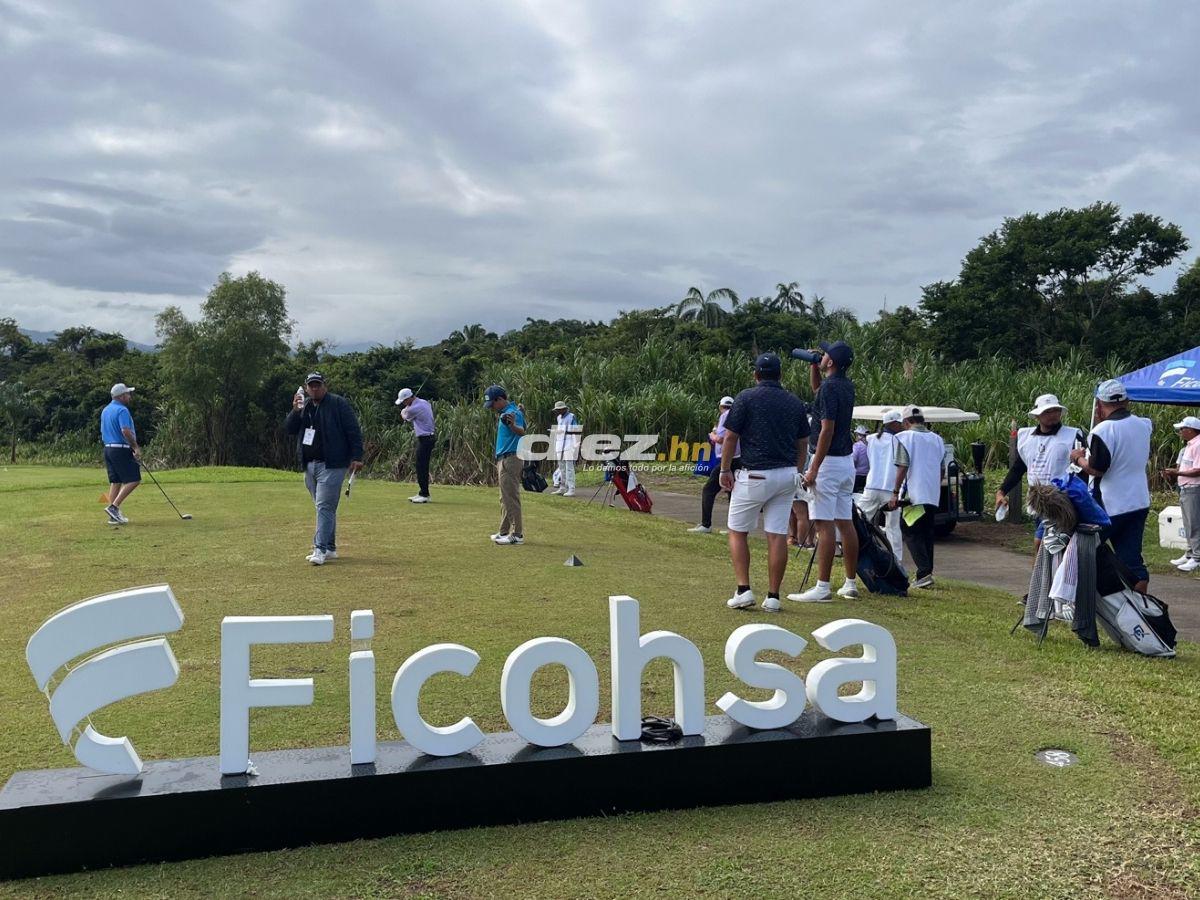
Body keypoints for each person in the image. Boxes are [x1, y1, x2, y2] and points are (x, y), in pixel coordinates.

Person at [721, 353, 810, 613]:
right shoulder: (794, 401)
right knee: (777, 535)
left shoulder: (746, 397)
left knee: (737, 531)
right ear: (780, 374)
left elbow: (730, 437)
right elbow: (803, 442)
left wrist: (725, 469)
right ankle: (773, 596)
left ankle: (743, 590)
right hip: (785, 475)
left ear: (756, 374)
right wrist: (798, 469)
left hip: (755, 474)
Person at [790, 340, 860, 603]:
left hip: (828, 462)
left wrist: (813, 469)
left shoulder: (831, 388)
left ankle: (822, 587)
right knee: (845, 521)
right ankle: (850, 583)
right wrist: (813, 367)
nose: (822, 355)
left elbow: (826, 429)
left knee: (823, 523)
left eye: (825, 355)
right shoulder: (844, 386)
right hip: (845, 462)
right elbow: (818, 391)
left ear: (830, 362)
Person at [1070, 379, 1152, 592]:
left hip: (1110, 503)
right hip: (1139, 500)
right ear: (1126, 401)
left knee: (1083, 550)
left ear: (1099, 404)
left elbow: (1097, 469)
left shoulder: (1102, 431)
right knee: (1132, 559)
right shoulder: (1144, 424)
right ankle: (1143, 609)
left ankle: (1080, 601)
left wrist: (1077, 459)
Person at [285, 373, 364, 566]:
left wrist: (357, 457)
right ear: (306, 387)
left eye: (317, 385)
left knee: (324, 507)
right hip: (310, 464)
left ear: (324, 386)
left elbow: (353, 430)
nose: (314, 389)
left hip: (333, 464)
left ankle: (319, 549)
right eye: (311, 386)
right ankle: (330, 548)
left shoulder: (338, 404)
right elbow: (289, 429)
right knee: (324, 508)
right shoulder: (305, 407)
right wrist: (295, 411)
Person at [996, 393, 1084, 552]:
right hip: (1037, 502)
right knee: (1048, 548)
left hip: (1061, 502)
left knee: (1042, 544)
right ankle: (1045, 576)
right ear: (1038, 415)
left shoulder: (1072, 436)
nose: (1052, 415)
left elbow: (1083, 470)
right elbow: (1019, 468)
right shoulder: (1027, 439)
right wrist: (1001, 491)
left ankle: (1042, 577)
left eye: (1055, 411)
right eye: (1047, 412)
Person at [889, 406, 945, 589]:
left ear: (906, 422)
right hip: (932, 494)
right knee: (927, 533)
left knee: (910, 531)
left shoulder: (904, 438)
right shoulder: (937, 440)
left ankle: (923, 573)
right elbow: (941, 469)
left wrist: (895, 491)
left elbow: (903, 466)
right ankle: (927, 573)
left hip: (913, 494)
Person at [855, 409, 904, 565]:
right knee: (893, 527)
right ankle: (896, 560)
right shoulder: (898, 441)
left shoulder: (871, 439)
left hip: (872, 487)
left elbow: (863, 441)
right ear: (894, 424)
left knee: (860, 519)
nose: (902, 426)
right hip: (891, 490)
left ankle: (855, 550)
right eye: (900, 423)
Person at [689, 395, 740, 533]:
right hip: (739, 458)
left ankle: (706, 524)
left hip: (728, 459)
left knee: (708, 490)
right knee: (732, 492)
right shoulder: (738, 415)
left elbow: (721, 439)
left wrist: (712, 434)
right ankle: (733, 527)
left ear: (721, 407)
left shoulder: (725, 416)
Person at [485, 385, 526, 545]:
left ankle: (517, 535)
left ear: (500, 399)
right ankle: (504, 531)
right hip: (504, 458)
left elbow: (522, 431)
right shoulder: (506, 412)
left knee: (511, 496)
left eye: (493, 404)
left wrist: (512, 425)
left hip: (511, 458)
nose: (491, 408)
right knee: (504, 497)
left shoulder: (512, 413)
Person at [100, 382, 141, 525]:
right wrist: (135, 447)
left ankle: (113, 516)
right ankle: (114, 507)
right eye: (128, 394)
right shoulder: (122, 410)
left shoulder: (106, 410)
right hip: (120, 448)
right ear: (122, 396)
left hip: (108, 449)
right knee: (134, 479)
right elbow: (125, 431)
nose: (129, 396)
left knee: (116, 481)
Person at [1163, 415, 1200, 573]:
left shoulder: (1198, 445)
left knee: (1194, 523)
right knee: (1188, 523)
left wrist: (1177, 473)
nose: (1180, 432)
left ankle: (1197, 557)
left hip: (1194, 487)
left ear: (1190, 430)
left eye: (1182, 429)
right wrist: (1175, 473)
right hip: (1186, 487)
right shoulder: (1189, 445)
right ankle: (1190, 553)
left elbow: (1198, 469)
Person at [395, 387, 435, 503]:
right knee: (421, 465)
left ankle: (424, 495)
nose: (403, 404)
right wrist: (408, 407)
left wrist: (404, 410)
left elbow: (404, 415)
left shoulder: (414, 408)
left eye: (404, 401)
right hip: (428, 438)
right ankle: (423, 492)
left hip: (425, 439)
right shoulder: (424, 402)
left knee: (421, 466)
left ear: (408, 399)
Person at [550, 400, 581, 497]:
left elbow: (576, 430)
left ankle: (571, 489)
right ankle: (562, 488)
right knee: (562, 468)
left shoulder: (571, 416)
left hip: (569, 444)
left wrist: (576, 444)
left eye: (559, 409)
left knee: (569, 468)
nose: (558, 411)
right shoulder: (558, 418)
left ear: (564, 409)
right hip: (560, 444)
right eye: (557, 410)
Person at [851, 424, 870, 492]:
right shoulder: (871, 446)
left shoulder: (857, 446)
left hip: (857, 475)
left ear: (859, 435)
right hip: (868, 475)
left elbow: (853, 459)